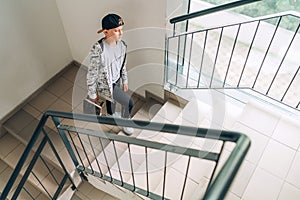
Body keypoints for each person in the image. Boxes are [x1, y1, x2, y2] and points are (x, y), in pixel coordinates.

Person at [87, 13, 134, 135]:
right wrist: (92, 94)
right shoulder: (98, 49)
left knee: (111, 100)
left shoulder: (123, 46)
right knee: (129, 103)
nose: (121, 33)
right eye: (116, 31)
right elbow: (91, 73)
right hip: (106, 84)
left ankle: (110, 114)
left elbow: (123, 65)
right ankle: (125, 120)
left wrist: (125, 80)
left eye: (121, 30)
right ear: (106, 32)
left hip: (117, 80)